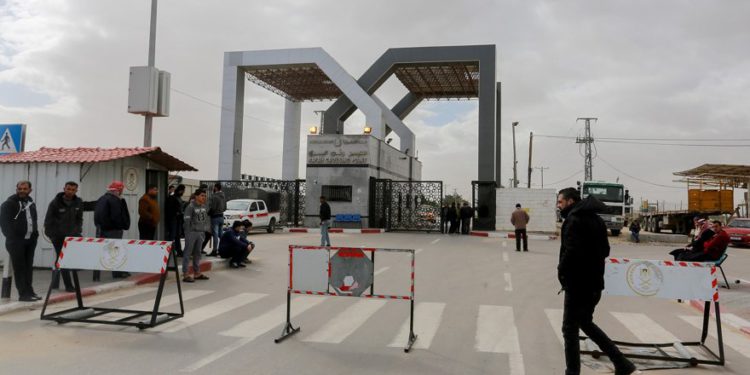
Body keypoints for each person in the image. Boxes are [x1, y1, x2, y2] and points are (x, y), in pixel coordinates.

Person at [556, 187, 637, 375]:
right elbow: (606, 251)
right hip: (594, 284)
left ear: (570, 201)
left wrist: (562, 272)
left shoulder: (573, 220)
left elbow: (571, 252)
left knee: (569, 329)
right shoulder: (597, 220)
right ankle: (622, 363)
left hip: (577, 285)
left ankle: (573, 372)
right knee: (585, 322)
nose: (558, 205)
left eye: (560, 202)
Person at [0, 181, 40, 301]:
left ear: (30, 190)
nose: (22, 190)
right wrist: (12, 237)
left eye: (25, 188)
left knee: (28, 267)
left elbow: (34, 219)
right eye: (20, 188)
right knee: (20, 268)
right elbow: (4, 223)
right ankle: (23, 294)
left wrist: (35, 235)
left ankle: (30, 291)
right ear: (16, 189)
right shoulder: (9, 203)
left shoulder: (31, 202)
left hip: (30, 241)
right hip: (16, 242)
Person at [44, 181, 83, 292]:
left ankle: (57, 283)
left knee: (66, 260)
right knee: (63, 259)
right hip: (58, 237)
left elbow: (79, 219)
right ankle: (68, 285)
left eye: (73, 190)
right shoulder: (55, 203)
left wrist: (78, 231)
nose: (70, 191)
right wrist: (52, 235)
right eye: (68, 189)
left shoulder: (78, 202)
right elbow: (48, 220)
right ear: (64, 188)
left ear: (76, 191)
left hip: (72, 237)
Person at [93, 180, 131, 281]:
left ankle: (96, 276)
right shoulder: (114, 200)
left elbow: (97, 215)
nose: (122, 191)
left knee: (101, 251)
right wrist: (120, 226)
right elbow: (116, 216)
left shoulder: (102, 198)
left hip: (101, 229)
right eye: (121, 189)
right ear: (118, 190)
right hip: (113, 230)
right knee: (116, 251)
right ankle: (117, 273)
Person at [183, 188, 210, 282]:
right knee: (187, 253)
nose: (204, 197)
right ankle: (185, 274)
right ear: (196, 196)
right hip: (192, 232)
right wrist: (188, 232)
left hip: (201, 232)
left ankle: (197, 273)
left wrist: (206, 229)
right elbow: (186, 221)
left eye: (205, 196)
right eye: (202, 195)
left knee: (198, 253)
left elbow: (205, 219)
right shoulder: (190, 207)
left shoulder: (204, 206)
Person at [165, 184, 185, 257]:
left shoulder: (177, 197)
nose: (183, 192)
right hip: (173, 219)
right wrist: (177, 213)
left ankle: (178, 250)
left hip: (177, 219)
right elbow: (170, 210)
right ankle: (170, 251)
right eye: (182, 191)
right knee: (172, 236)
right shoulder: (173, 198)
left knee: (177, 236)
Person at [207, 183, 227, 257]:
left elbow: (213, 208)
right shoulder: (223, 196)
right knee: (220, 234)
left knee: (215, 235)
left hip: (215, 217)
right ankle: (222, 248)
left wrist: (208, 213)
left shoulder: (215, 196)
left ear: (215, 188)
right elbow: (225, 208)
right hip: (221, 217)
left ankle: (214, 250)